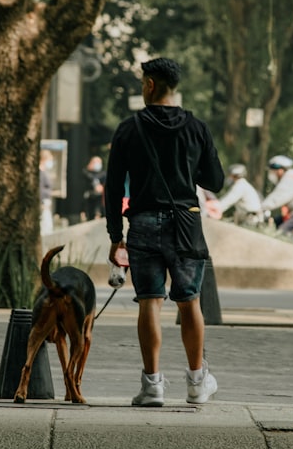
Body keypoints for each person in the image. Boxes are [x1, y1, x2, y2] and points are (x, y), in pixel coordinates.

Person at [105, 57, 225, 407]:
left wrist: (116, 236)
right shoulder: (197, 127)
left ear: (150, 85)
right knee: (189, 302)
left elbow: (113, 187)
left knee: (149, 303)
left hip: (142, 224)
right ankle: (197, 383)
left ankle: (152, 386)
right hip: (185, 225)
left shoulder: (129, 128)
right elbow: (214, 181)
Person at [82, 156, 106, 220]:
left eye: (99, 162)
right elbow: (88, 177)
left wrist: (101, 187)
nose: (97, 164)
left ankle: (97, 214)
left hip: (99, 198)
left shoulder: (103, 173)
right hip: (89, 197)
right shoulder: (86, 172)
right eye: (96, 162)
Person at [40, 149, 55, 235]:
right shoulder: (40, 172)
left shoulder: (44, 172)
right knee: (46, 228)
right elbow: (40, 189)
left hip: (46, 204)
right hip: (43, 204)